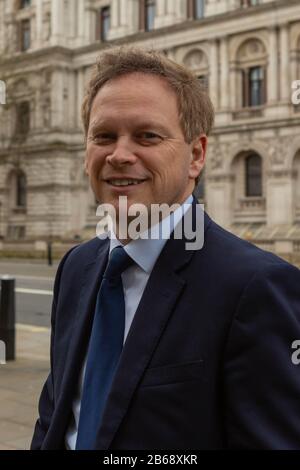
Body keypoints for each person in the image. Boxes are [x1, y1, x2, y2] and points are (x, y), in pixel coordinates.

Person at [31, 46, 300, 450]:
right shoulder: (76, 266)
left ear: (196, 156)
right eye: (104, 136)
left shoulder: (256, 287)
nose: (119, 155)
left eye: (147, 136)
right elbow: (57, 414)